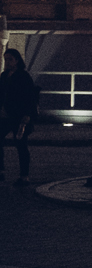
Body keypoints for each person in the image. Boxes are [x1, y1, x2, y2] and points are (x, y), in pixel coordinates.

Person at [1, 48, 39, 185]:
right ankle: (1, 171)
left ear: (17, 60)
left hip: (18, 116)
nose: (7, 62)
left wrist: (27, 115)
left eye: (10, 59)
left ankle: (24, 176)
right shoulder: (4, 75)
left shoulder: (23, 76)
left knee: (21, 145)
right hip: (5, 115)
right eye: (5, 59)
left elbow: (30, 97)